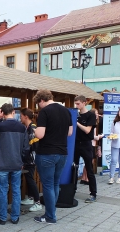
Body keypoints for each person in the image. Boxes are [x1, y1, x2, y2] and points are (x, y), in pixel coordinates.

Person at [32, 90, 72, 224]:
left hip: (47, 152)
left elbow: (40, 135)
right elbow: (70, 132)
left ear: (41, 100)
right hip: (62, 153)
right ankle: (51, 212)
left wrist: (34, 130)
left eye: (38, 104)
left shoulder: (45, 111)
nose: (39, 107)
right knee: (55, 183)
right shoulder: (66, 111)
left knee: (48, 185)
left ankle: (50, 216)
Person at [0, 103, 28, 225]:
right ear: (13, 112)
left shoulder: (0, 126)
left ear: (2, 112)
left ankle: (2, 217)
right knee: (16, 190)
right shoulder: (22, 127)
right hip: (16, 163)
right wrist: (22, 161)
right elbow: (26, 147)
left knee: (3, 190)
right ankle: (15, 217)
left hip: (2, 163)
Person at [74, 95, 97, 203]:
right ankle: (72, 191)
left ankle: (93, 193)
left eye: (78, 103)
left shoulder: (90, 115)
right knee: (73, 168)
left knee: (89, 169)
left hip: (86, 144)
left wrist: (76, 123)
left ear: (84, 103)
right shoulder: (76, 115)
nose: (76, 106)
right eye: (76, 103)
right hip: (76, 144)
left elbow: (88, 130)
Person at [19, 108, 41, 212]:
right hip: (29, 157)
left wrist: (25, 157)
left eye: (21, 116)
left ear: (25, 116)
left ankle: (37, 202)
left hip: (31, 158)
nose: (20, 118)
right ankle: (31, 197)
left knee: (30, 179)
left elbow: (33, 145)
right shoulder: (27, 127)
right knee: (28, 178)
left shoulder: (32, 128)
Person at [80, 108, 103, 185]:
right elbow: (92, 136)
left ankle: (84, 178)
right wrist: (100, 136)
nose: (97, 115)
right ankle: (85, 178)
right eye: (96, 113)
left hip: (92, 144)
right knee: (90, 162)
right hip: (91, 144)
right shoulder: (92, 124)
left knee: (89, 163)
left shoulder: (95, 123)